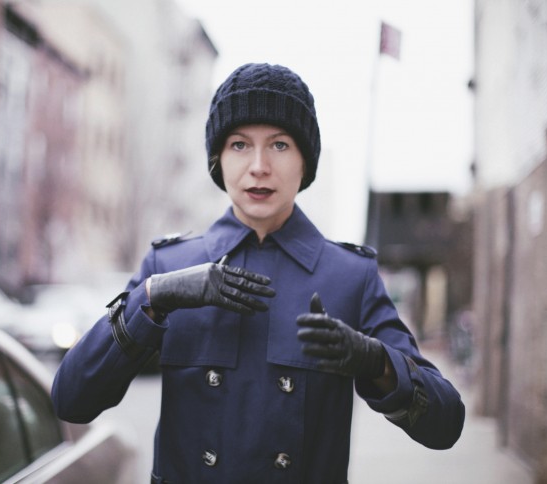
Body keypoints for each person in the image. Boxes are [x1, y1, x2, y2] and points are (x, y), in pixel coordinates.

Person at [52, 62, 465, 483]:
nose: (259, 166)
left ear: (305, 161)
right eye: (239, 144)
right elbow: (71, 400)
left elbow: (446, 425)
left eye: (280, 144)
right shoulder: (169, 265)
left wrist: (376, 361)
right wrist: (153, 297)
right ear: (218, 159)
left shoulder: (349, 275)